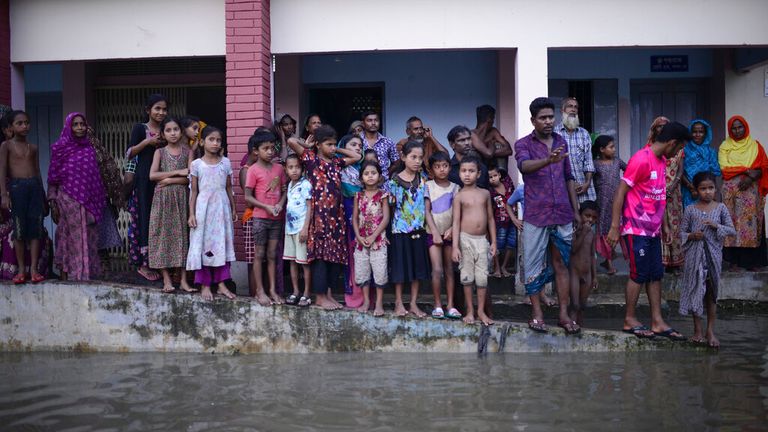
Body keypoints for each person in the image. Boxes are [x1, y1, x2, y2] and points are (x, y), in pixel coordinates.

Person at [607, 121, 691, 341]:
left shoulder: (661, 161)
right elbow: (620, 192)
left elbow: (658, 194)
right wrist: (615, 227)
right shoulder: (641, 159)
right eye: (679, 148)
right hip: (636, 228)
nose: (677, 153)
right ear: (672, 143)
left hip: (653, 230)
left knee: (656, 274)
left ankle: (657, 321)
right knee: (639, 274)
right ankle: (629, 319)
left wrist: (664, 225)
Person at [514, 97, 581, 334]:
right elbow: (524, 167)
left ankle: (563, 315)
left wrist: (576, 211)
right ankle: (537, 314)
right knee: (532, 266)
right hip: (536, 214)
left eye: (551, 117)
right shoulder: (522, 144)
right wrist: (547, 160)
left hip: (562, 212)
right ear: (533, 120)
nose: (548, 121)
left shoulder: (561, 141)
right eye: (543, 118)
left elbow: (569, 177)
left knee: (561, 264)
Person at [287, 125, 361, 310]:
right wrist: (309, 145)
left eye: (334, 144)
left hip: (336, 218)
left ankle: (328, 294)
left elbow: (357, 157)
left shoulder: (336, 162)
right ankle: (320, 297)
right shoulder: (310, 159)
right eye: (329, 144)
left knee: (334, 258)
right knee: (320, 257)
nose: (333, 148)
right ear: (319, 145)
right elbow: (290, 141)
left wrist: (337, 148)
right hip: (318, 218)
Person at [679, 172, 735, 348]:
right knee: (696, 290)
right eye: (703, 189)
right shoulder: (690, 209)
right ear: (696, 190)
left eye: (710, 188)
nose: (707, 192)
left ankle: (710, 330)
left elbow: (731, 230)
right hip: (694, 259)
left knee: (711, 294)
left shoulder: (721, 208)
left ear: (716, 189)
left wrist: (716, 226)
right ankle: (697, 330)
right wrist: (691, 235)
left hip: (713, 258)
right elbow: (679, 234)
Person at [46, 112, 105, 281]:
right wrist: (52, 202)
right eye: (76, 124)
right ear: (68, 127)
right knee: (69, 237)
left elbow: (95, 178)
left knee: (89, 236)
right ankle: (71, 276)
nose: (80, 128)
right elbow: (53, 177)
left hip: (89, 202)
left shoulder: (89, 150)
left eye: (82, 124)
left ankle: (87, 275)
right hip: (67, 200)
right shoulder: (60, 148)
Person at [187, 126, 237, 301]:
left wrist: (233, 208)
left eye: (218, 140)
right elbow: (193, 192)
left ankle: (222, 283)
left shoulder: (226, 163)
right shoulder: (196, 165)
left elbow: (229, 187)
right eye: (211, 139)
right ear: (202, 142)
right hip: (203, 211)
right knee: (203, 246)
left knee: (221, 244)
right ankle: (205, 284)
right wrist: (191, 214)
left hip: (221, 209)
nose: (215, 143)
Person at [0, 110, 47, 284]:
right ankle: (20, 270)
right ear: (11, 126)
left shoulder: (33, 148)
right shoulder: (6, 146)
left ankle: (34, 269)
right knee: (19, 230)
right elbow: (2, 169)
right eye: (19, 123)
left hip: (34, 187)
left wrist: (43, 195)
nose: (24, 126)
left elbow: (38, 172)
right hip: (17, 188)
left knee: (36, 229)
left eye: (27, 122)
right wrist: (4, 194)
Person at [148, 117, 193, 293]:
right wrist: (175, 173)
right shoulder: (159, 152)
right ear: (163, 134)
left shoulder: (188, 151)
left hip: (182, 199)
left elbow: (190, 177)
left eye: (176, 129)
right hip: (163, 199)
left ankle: (182, 280)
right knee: (162, 235)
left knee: (183, 236)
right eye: (168, 130)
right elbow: (152, 176)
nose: (173, 133)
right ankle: (167, 279)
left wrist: (167, 179)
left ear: (181, 132)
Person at [126, 94, 168, 281]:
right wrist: (147, 142)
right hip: (143, 181)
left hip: (162, 179)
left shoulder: (168, 128)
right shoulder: (140, 128)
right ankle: (144, 264)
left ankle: (160, 261)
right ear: (148, 110)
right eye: (157, 108)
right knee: (145, 218)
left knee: (160, 220)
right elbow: (129, 153)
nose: (161, 112)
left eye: (164, 109)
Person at [719, 115, 768, 271]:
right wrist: (748, 172)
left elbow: (764, 166)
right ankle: (733, 261)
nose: (737, 130)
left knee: (750, 224)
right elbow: (725, 168)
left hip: (751, 191)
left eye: (740, 127)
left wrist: (753, 176)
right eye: (734, 128)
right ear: (729, 129)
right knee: (732, 223)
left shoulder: (756, 146)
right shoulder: (725, 147)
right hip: (732, 192)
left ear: (745, 127)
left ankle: (752, 262)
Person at [452, 156, 497, 326]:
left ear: (479, 174)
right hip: (465, 240)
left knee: (482, 278)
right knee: (467, 276)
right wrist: (455, 246)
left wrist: (493, 242)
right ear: (459, 173)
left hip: (482, 240)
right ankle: (469, 310)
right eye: (464, 171)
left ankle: (481, 311)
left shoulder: (485, 193)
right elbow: (455, 222)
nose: (467, 174)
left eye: (471, 171)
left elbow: (491, 219)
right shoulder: (459, 196)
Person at [388, 141, 431, 317]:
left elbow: (426, 207)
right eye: (413, 157)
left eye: (420, 158)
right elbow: (390, 208)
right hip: (399, 230)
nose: (417, 161)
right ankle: (399, 302)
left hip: (418, 230)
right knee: (399, 268)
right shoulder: (395, 181)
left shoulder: (423, 180)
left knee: (417, 268)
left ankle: (413, 303)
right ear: (403, 157)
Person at [244, 129, 287, 306]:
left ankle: (272, 290)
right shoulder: (253, 170)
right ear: (256, 151)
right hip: (260, 218)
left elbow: (285, 191)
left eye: (272, 148)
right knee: (259, 255)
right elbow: (247, 197)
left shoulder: (279, 168)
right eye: (266, 148)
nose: (270, 151)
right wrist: (266, 206)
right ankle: (260, 291)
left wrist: (280, 204)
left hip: (276, 220)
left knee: (272, 255)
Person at [505, 184, 556, 307]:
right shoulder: (521, 189)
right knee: (527, 262)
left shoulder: (546, 187)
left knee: (543, 261)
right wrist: (515, 220)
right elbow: (508, 204)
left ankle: (542, 294)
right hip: (528, 231)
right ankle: (529, 293)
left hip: (544, 230)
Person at [424, 151, 461, 319]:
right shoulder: (428, 185)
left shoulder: (455, 187)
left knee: (449, 270)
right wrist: (435, 232)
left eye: (445, 166)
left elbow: (458, 214)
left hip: (450, 234)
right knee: (437, 269)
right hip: (433, 233)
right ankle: (438, 304)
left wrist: (452, 230)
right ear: (431, 169)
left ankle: (451, 305)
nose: (442, 170)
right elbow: (426, 210)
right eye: (437, 167)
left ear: (449, 167)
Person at [352, 160, 390, 315]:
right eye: (366, 174)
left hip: (378, 240)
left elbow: (386, 218)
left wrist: (374, 235)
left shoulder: (383, 195)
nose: (370, 176)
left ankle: (379, 303)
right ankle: (367, 301)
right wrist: (358, 236)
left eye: (373, 173)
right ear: (361, 178)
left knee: (380, 271)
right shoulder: (358, 195)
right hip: (361, 241)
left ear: (379, 176)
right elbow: (355, 218)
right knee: (362, 271)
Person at [591, 135, 626, 275]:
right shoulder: (595, 164)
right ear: (601, 149)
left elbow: (630, 170)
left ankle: (608, 258)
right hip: (602, 203)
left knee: (617, 228)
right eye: (611, 147)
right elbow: (590, 179)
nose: (614, 149)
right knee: (604, 231)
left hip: (618, 202)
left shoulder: (617, 162)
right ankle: (609, 262)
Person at [87, 124, 124, 254]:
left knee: (101, 233)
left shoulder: (99, 152)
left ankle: (103, 264)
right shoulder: (69, 153)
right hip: (80, 201)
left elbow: (110, 173)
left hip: (100, 199)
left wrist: (114, 195)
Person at [338, 134, 365, 307]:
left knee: (359, 251)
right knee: (347, 252)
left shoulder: (364, 168)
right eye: (353, 144)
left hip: (361, 211)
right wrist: (339, 150)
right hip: (342, 209)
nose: (357, 148)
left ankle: (363, 295)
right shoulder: (338, 163)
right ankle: (350, 292)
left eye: (359, 145)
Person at [282, 154, 312, 307]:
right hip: (289, 230)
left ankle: (306, 293)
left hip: (301, 230)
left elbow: (309, 206)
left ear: (302, 168)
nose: (294, 170)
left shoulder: (305, 184)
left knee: (304, 263)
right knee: (293, 262)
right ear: (286, 169)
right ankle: (295, 291)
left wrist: (305, 228)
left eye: (297, 167)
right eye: (290, 167)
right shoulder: (289, 185)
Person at [554, 97, 596, 203]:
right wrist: (570, 184)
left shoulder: (584, 133)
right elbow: (553, 166)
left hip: (585, 190)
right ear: (562, 110)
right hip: (562, 190)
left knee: (588, 218)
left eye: (576, 107)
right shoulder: (554, 134)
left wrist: (587, 183)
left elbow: (589, 162)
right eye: (569, 106)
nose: (573, 109)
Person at [570, 200, 599, 326]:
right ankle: (572, 323)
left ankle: (579, 326)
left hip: (587, 274)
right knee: (575, 304)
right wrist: (583, 233)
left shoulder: (592, 233)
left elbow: (593, 255)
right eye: (587, 216)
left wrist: (595, 276)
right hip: (575, 273)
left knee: (582, 305)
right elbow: (574, 249)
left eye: (593, 217)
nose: (590, 220)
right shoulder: (575, 231)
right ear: (580, 215)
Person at [681, 120, 720, 208]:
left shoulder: (711, 152)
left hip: (707, 191)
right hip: (689, 190)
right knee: (690, 216)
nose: (697, 134)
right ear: (690, 133)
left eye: (701, 132)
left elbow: (713, 173)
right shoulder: (684, 150)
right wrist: (691, 187)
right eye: (694, 132)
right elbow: (680, 171)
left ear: (705, 134)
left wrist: (711, 191)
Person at [662, 133, 685, 272]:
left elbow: (680, 171)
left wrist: (672, 186)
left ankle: (675, 263)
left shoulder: (679, 150)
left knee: (675, 224)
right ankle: (662, 263)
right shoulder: (653, 150)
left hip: (674, 191)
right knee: (661, 225)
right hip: (657, 192)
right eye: (659, 127)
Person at [487, 165, 516, 278]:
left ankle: (504, 266)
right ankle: (497, 267)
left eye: (495, 175)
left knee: (511, 244)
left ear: (499, 175)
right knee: (498, 245)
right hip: (499, 222)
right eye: (490, 177)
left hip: (513, 220)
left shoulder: (508, 184)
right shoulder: (490, 192)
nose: (493, 178)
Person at [360, 111, 399, 179]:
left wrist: (385, 175)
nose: (373, 123)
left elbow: (396, 162)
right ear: (363, 123)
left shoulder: (387, 142)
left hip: (383, 184)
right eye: (369, 120)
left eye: (376, 120)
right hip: (360, 183)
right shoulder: (356, 141)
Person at [472, 105, 512, 169]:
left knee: (498, 145)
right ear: (489, 119)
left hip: (490, 168)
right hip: (474, 168)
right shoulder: (471, 134)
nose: (493, 121)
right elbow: (488, 154)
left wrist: (486, 152)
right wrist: (491, 144)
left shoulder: (493, 131)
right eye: (493, 118)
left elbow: (509, 150)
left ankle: (501, 174)